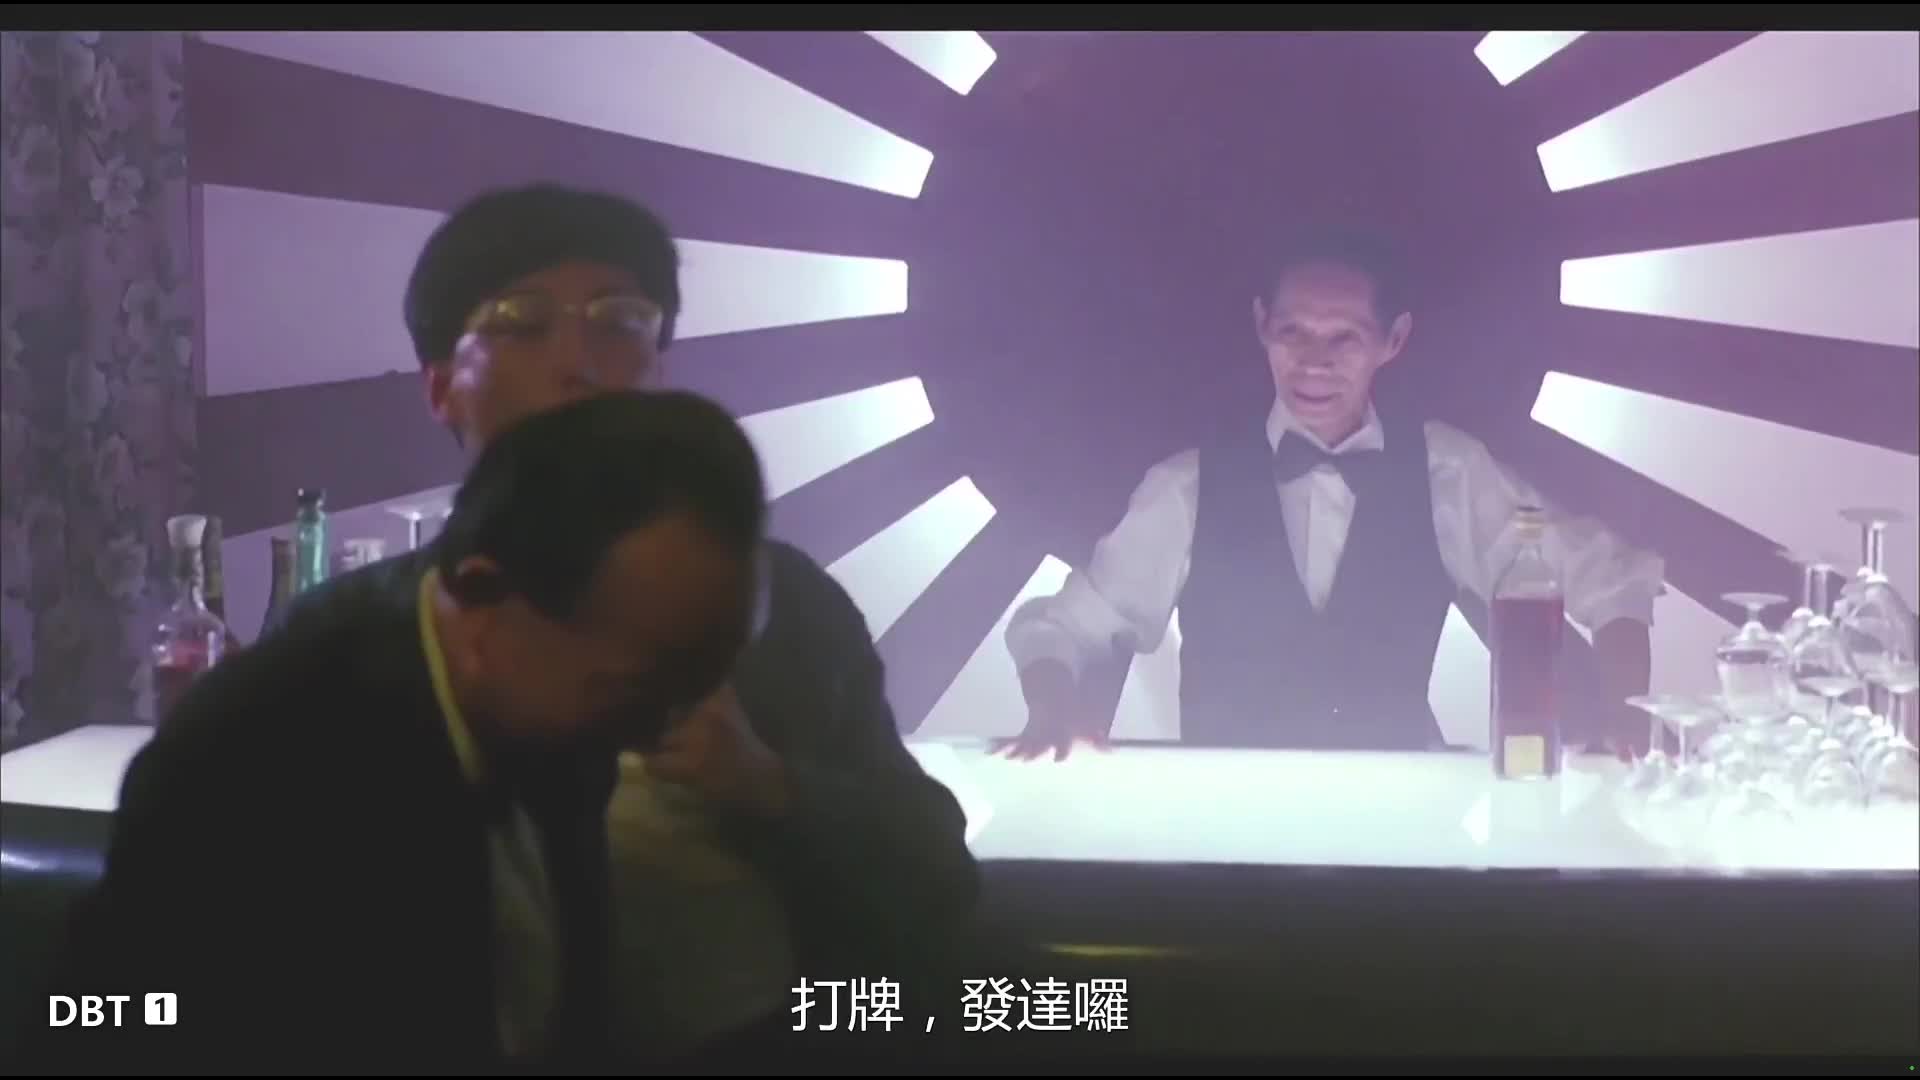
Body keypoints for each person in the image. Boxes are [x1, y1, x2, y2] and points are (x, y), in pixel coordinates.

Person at [293, 184, 977, 1063]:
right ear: (441, 388)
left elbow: (936, 879)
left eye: (620, 323)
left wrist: (768, 785)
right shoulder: (342, 642)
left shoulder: (785, 606)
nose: (579, 365)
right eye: (521, 323)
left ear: (658, 371)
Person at [35, 391, 770, 1071]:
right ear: (482, 598)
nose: (655, 732)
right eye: (631, 692)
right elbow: (98, 1016)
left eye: (690, 684)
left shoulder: (558, 721)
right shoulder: (255, 754)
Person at [1000, 225, 1664, 758]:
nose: (1314, 361)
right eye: (1293, 332)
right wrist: (1054, 711)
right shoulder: (1186, 486)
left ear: (1393, 341)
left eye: (1344, 338)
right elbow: (1061, 630)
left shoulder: (1450, 470)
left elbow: (1608, 577)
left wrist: (1626, 719)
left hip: (1404, 833)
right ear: (1262, 325)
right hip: (1220, 829)